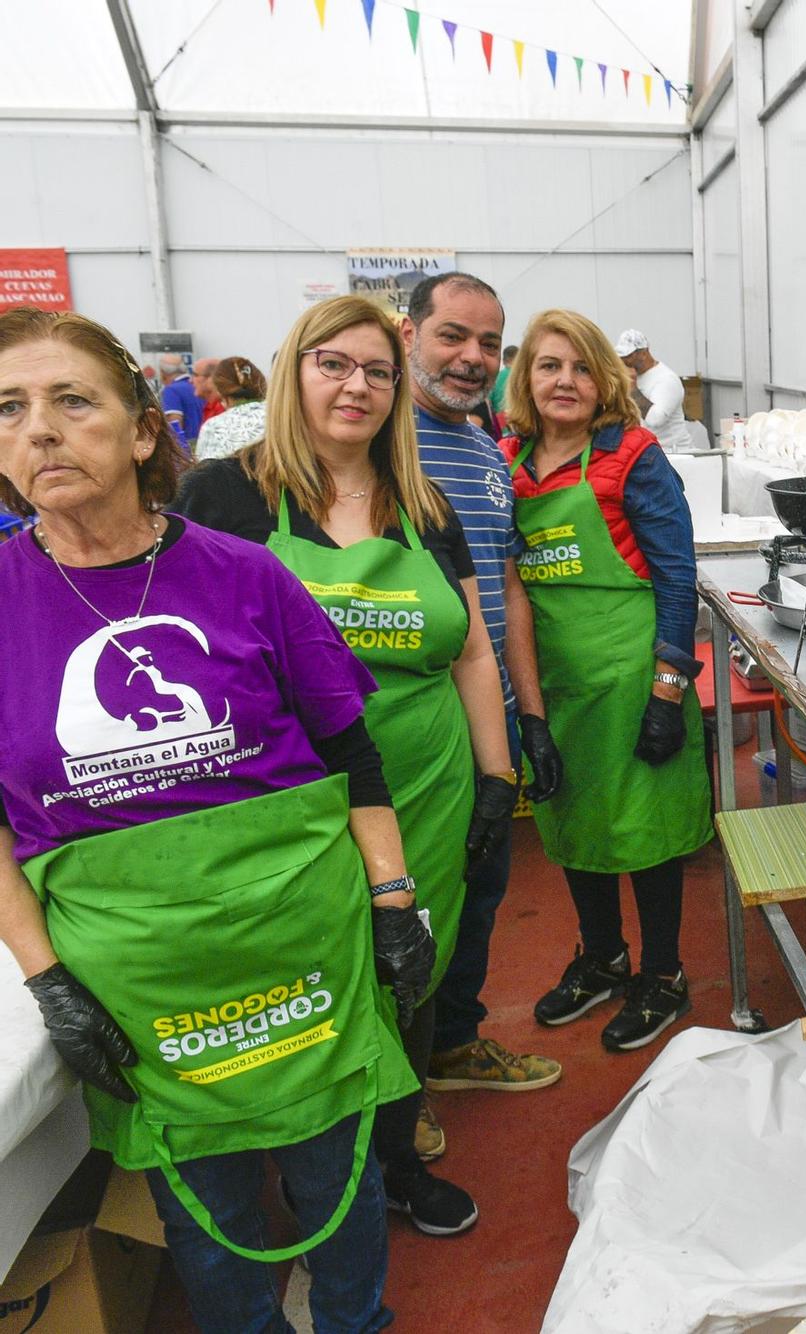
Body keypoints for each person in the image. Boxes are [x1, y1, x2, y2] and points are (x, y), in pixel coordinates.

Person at [0, 306, 432, 1332]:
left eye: (72, 400)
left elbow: (350, 753)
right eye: (9, 408)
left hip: (300, 937)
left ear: (145, 429)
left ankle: (355, 1320)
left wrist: (392, 897)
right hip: (138, 968)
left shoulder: (245, 574)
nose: (39, 430)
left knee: (339, 1169)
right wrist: (47, 978)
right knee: (205, 1201)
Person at [176, 295, 514, 1236]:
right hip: (295, 798)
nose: (356, 386)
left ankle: (396, 1163)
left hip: (429, 791)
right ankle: (317, 1174)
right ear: (294, 371)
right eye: (334, 363)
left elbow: (474, 649)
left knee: (412, 982)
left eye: (376, 370)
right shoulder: (225, 497)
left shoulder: (423, 504)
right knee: (312, 983)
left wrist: (497, 776)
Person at [502, 309, 711, 1052]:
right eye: (549, 365)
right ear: (525, 376)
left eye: (582, 367)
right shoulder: (508, 461)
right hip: (552, 686)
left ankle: (663, 974)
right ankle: (602, 956)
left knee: (644, 835)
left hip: (631, 682)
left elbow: (678, 578)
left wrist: (668, 687)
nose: (565, 381)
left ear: (608, 381)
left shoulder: (633, 455)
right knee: (571, 824)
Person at [399, 272, 566, 1131]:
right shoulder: (380, 444)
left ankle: (453, 1043)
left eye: (488, 345)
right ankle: (395, 1086)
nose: (472, 360)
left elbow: (505, 584)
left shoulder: (483, 450)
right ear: (409, 335)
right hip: (410, 727)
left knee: (481, 884)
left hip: (488, 716)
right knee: (403, 905)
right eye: (452, 337)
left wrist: (527, 713)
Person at [613, 329, 694, 451]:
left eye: (629, 356)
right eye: (621, 356)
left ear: (644, 353)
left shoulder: (666, 379)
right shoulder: (635, 375)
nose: (624, 361)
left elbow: (656, 419)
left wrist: (632, 388)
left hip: (673, 452)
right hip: (647, 449)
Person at [192, 356, 267, 461]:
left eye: (194, 375)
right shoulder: (280, 415)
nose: (191, 380)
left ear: (219, 389)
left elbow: (201, 470)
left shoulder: (213, 426)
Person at [158, 357, 200, 451]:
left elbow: (174, 423)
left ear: (163, 373)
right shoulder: (197, 386)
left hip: (189, 448)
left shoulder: (171, 390)